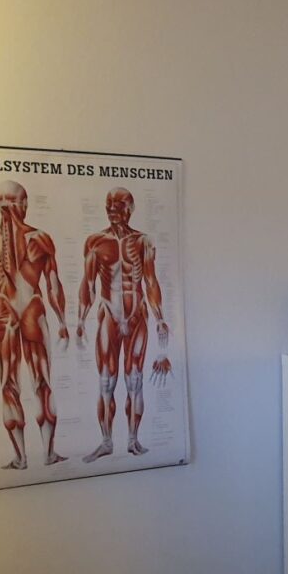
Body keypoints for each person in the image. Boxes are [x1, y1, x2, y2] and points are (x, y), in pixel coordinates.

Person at [0, 180, 69, 469]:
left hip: (2, 311)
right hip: (30, 308)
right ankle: (48, 454)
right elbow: (53, 285)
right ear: (24, 203)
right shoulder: (40, 238)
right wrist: (61, 322)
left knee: (10, 384)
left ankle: (22, 458)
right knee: (41, 382)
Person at [77, 187, 171, 461]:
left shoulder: (143, 241)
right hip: (109, 313)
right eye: (109, 206)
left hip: (137, 314)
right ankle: (107, 441)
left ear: (130, 209)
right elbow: (88, 284)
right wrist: (81, 318)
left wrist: (160, 317)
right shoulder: (95, 242)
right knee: (106, 381)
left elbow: (150, 281)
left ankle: (132, 439)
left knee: (135, 380)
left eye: (118, 206)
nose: (112, 211)